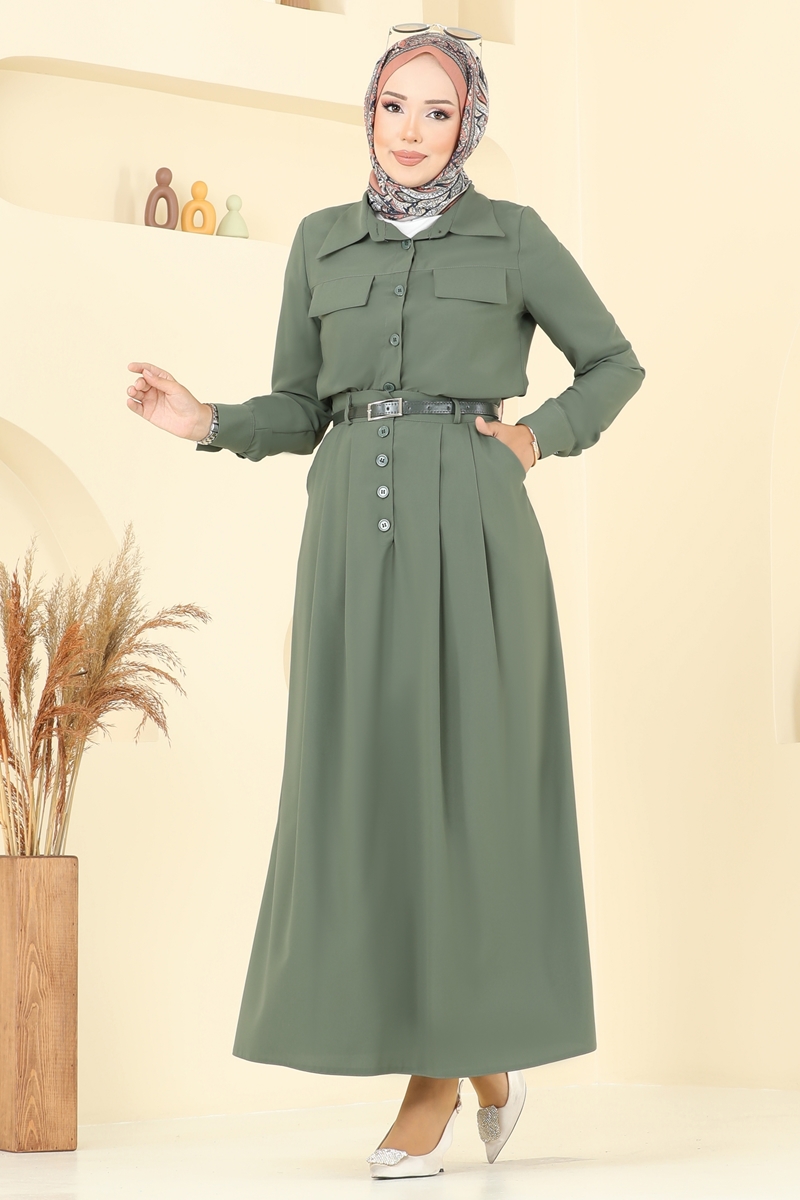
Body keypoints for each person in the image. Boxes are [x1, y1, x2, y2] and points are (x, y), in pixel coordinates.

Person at [126, 27, 645, 1181]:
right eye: (393, 106)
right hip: (348, 543)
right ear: (367, 112)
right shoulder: (321, 240)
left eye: (437, 111)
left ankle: (432, 1079)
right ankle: (481, 1065)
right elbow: (300, 406)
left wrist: (533, 439)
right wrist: (207, 421)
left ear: (468, 125)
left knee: (465, 792)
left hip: (475, 531)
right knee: (369, 787)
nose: (410, 130)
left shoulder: (513, 235)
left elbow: (613, 363)